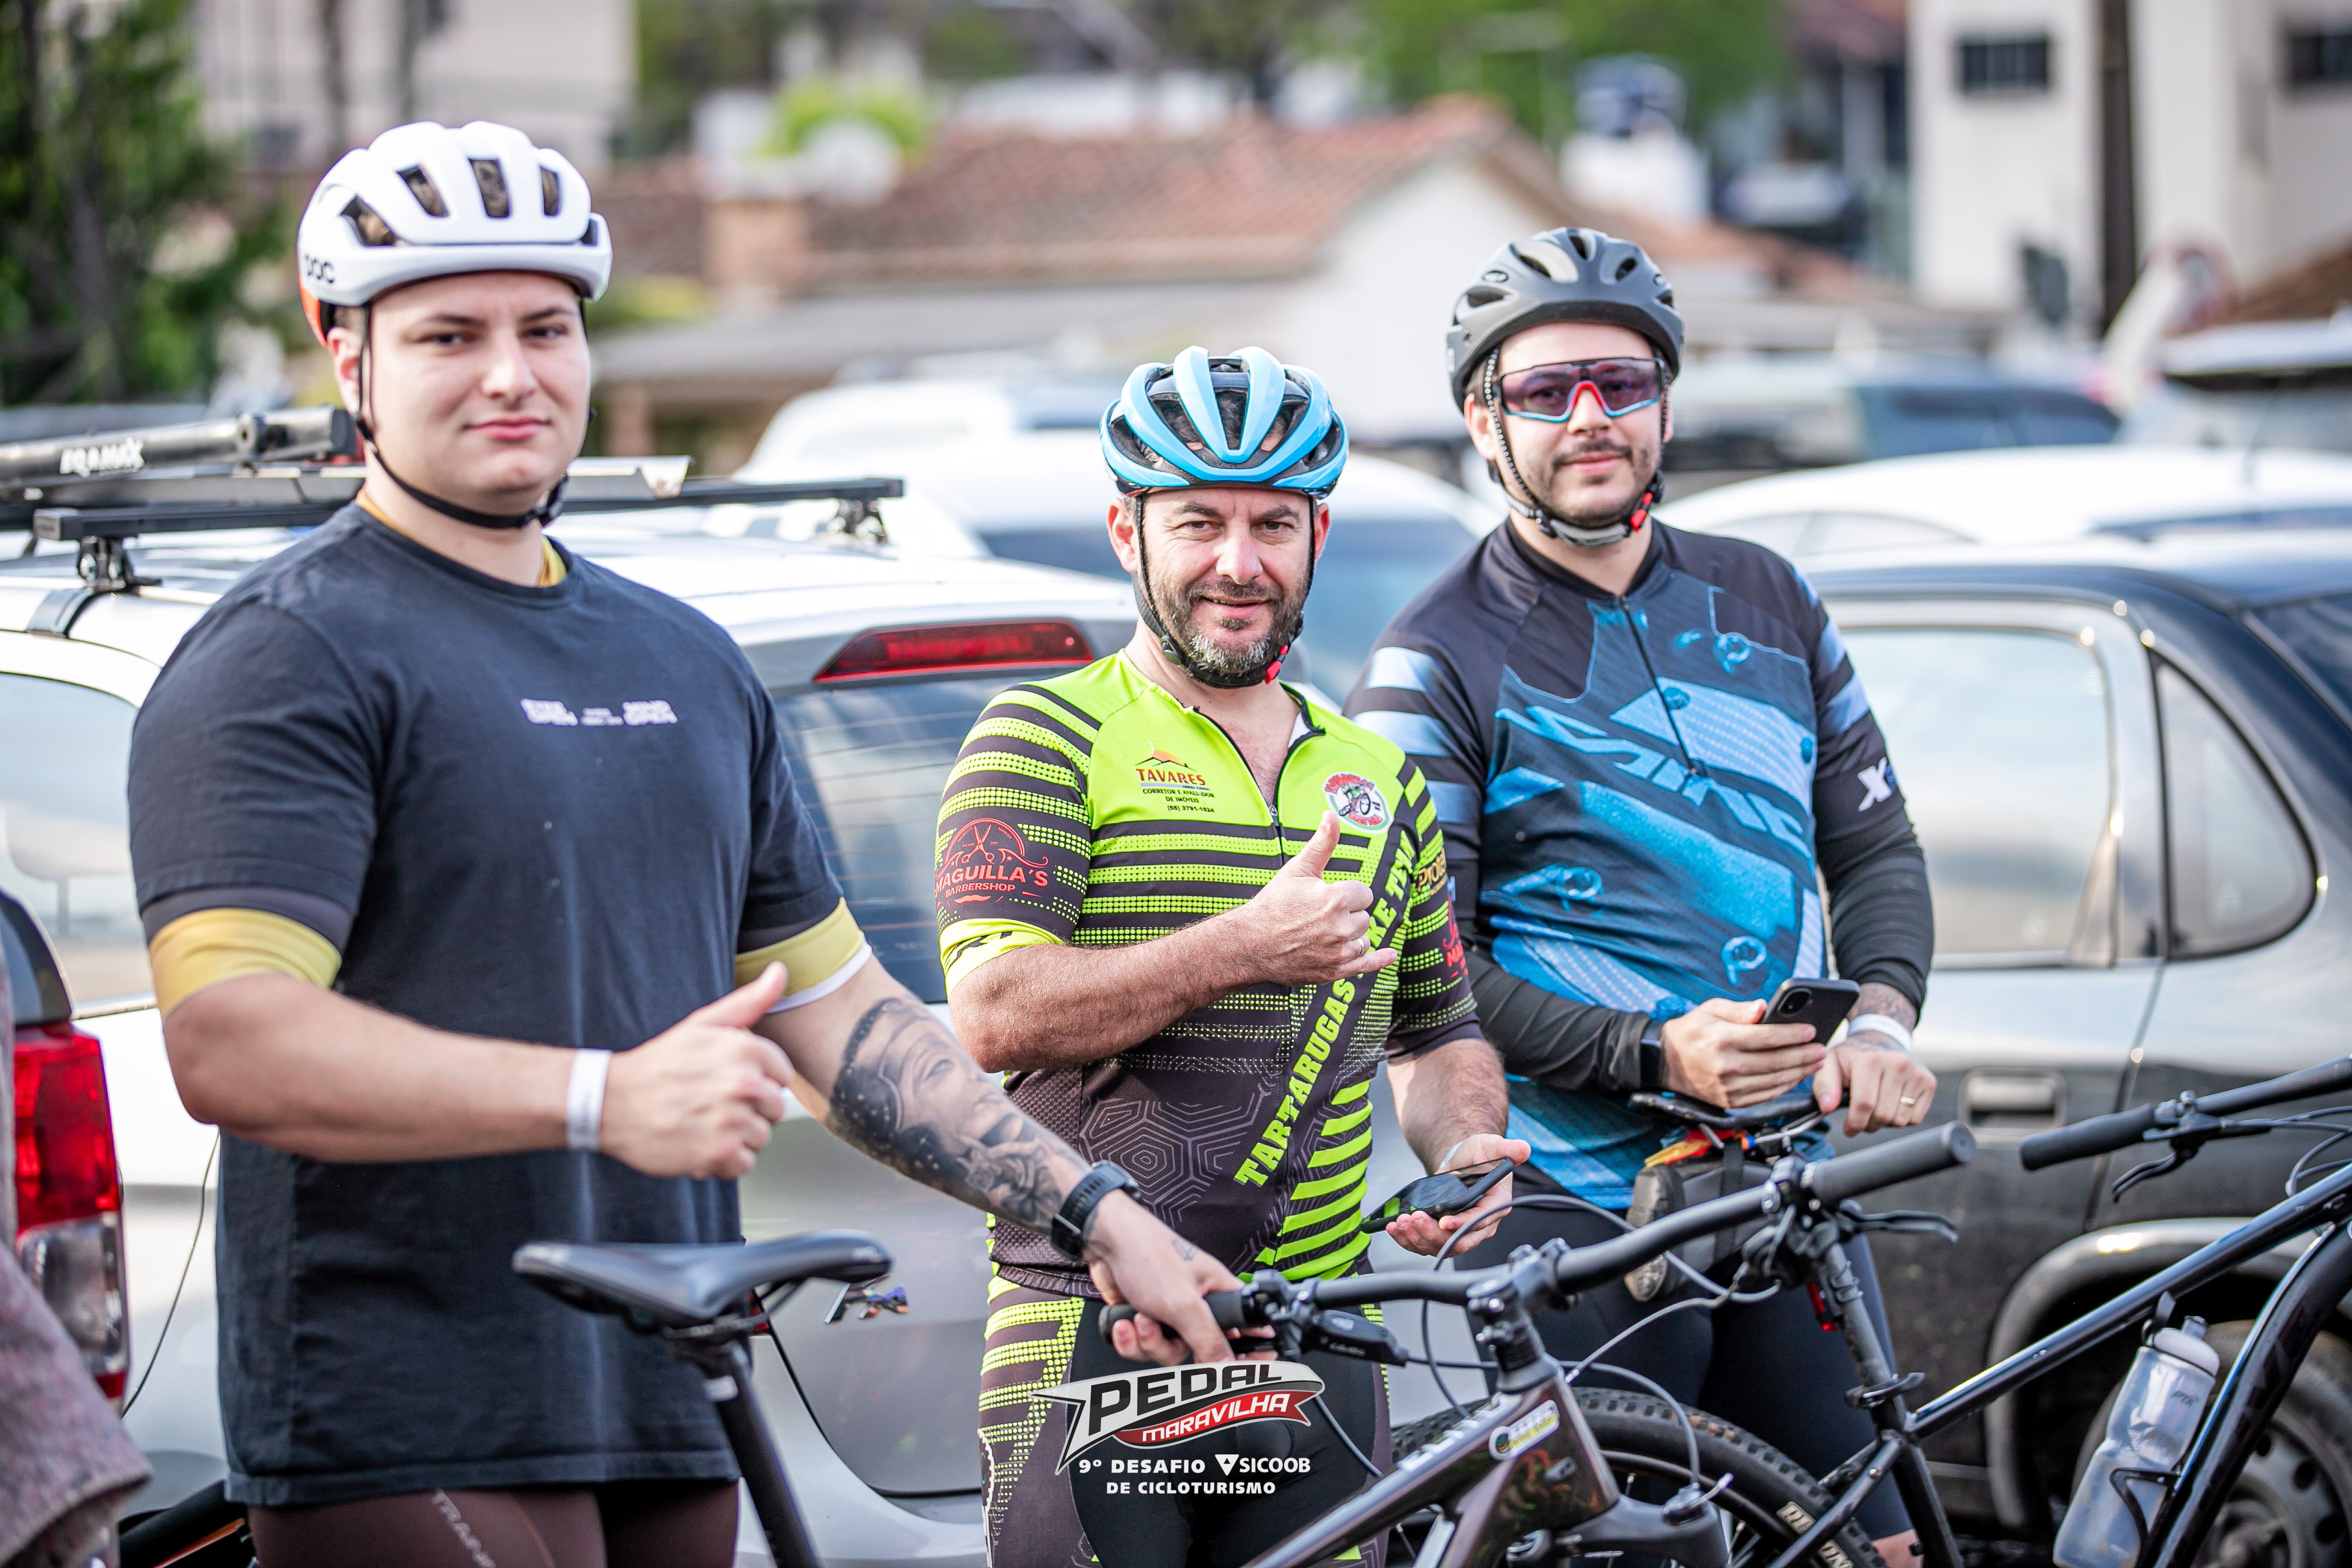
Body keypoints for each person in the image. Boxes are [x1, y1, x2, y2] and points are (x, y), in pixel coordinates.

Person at [124, 121, 1233, 1568]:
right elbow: (231, 1040)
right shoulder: (288, 654)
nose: (512, 373)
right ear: (349, 361)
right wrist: (603, 1099)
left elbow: (842, 1018)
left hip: (669, 1396)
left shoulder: (683, 659)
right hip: (407, 1411)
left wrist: (1097, 1213)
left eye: (545, 329)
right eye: (450, 336)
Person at [1343, 228, 1939, 1562]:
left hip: (1778, 1179)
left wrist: (1881, 1021)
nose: (1591, 416)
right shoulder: (1433, 656)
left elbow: (1878, 852)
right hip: (1575, 1204)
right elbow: (1421, 969)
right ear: (1484, 423)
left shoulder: (1772, 598)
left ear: (1666, 402)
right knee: (1633, 1553)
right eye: (1545, 390)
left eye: (1621, 381)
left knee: (1879, 1549)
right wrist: (1653, 1052)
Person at [936, 348, 1527, 1568]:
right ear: (1127, 533)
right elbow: (995, 1011)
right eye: (1199, 523)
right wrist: (1242, 948)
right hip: (1095, 1320)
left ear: (1318, 536)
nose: (1239, 564)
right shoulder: (1044, 735)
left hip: (1319, 1325)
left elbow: (1435, 1029)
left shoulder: (1378, 774)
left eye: (1273, 525)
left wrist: (1464, 1146)